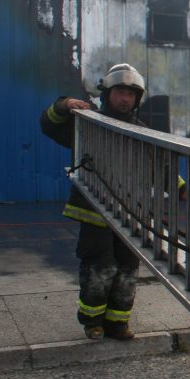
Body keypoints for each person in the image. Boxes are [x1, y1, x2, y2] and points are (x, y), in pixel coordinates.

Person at [40, 63, 147, 340]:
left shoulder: (142, 131)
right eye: (120, 91)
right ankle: (92, 321)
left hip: (128, 212)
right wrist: (64, 105)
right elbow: (50, 126)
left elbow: (156, 163)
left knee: (127, 267)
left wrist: (178, 185)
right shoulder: (88, 123)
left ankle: (118, 322)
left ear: (138, 99)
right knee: (100, 265)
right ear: (107, 93)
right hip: (94, 209)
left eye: (130, 94)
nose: (125, 98)